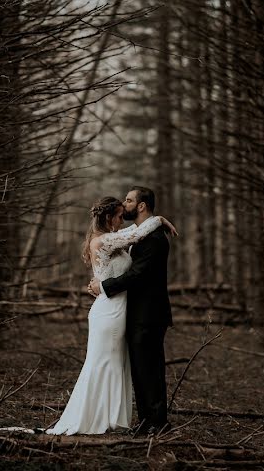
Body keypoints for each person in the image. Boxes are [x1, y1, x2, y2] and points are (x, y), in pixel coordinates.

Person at [46, 194, 176, 435]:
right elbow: (135, 235)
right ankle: (92, 418)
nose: (123, 217)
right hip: (110, 311)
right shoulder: (105, 240)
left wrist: (102, 285)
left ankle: (108, 417)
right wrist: (159, 219)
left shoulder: (112, 240)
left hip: (118, 308)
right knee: (102, 363)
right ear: (108, 217)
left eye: (128, 203)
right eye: (118, 214)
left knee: (113, 364)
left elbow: (132, 244)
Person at [88, 186, 173, 437]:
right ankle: (147, 420)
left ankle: (158, 422)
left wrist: (103, 286)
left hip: (149, 314)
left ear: (142, 206)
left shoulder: (155, 239)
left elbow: (137, 275)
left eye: (128, 200)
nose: (124, 205)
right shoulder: (138, 235)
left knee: (150, 368)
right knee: (139, 367)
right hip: (133, 313)